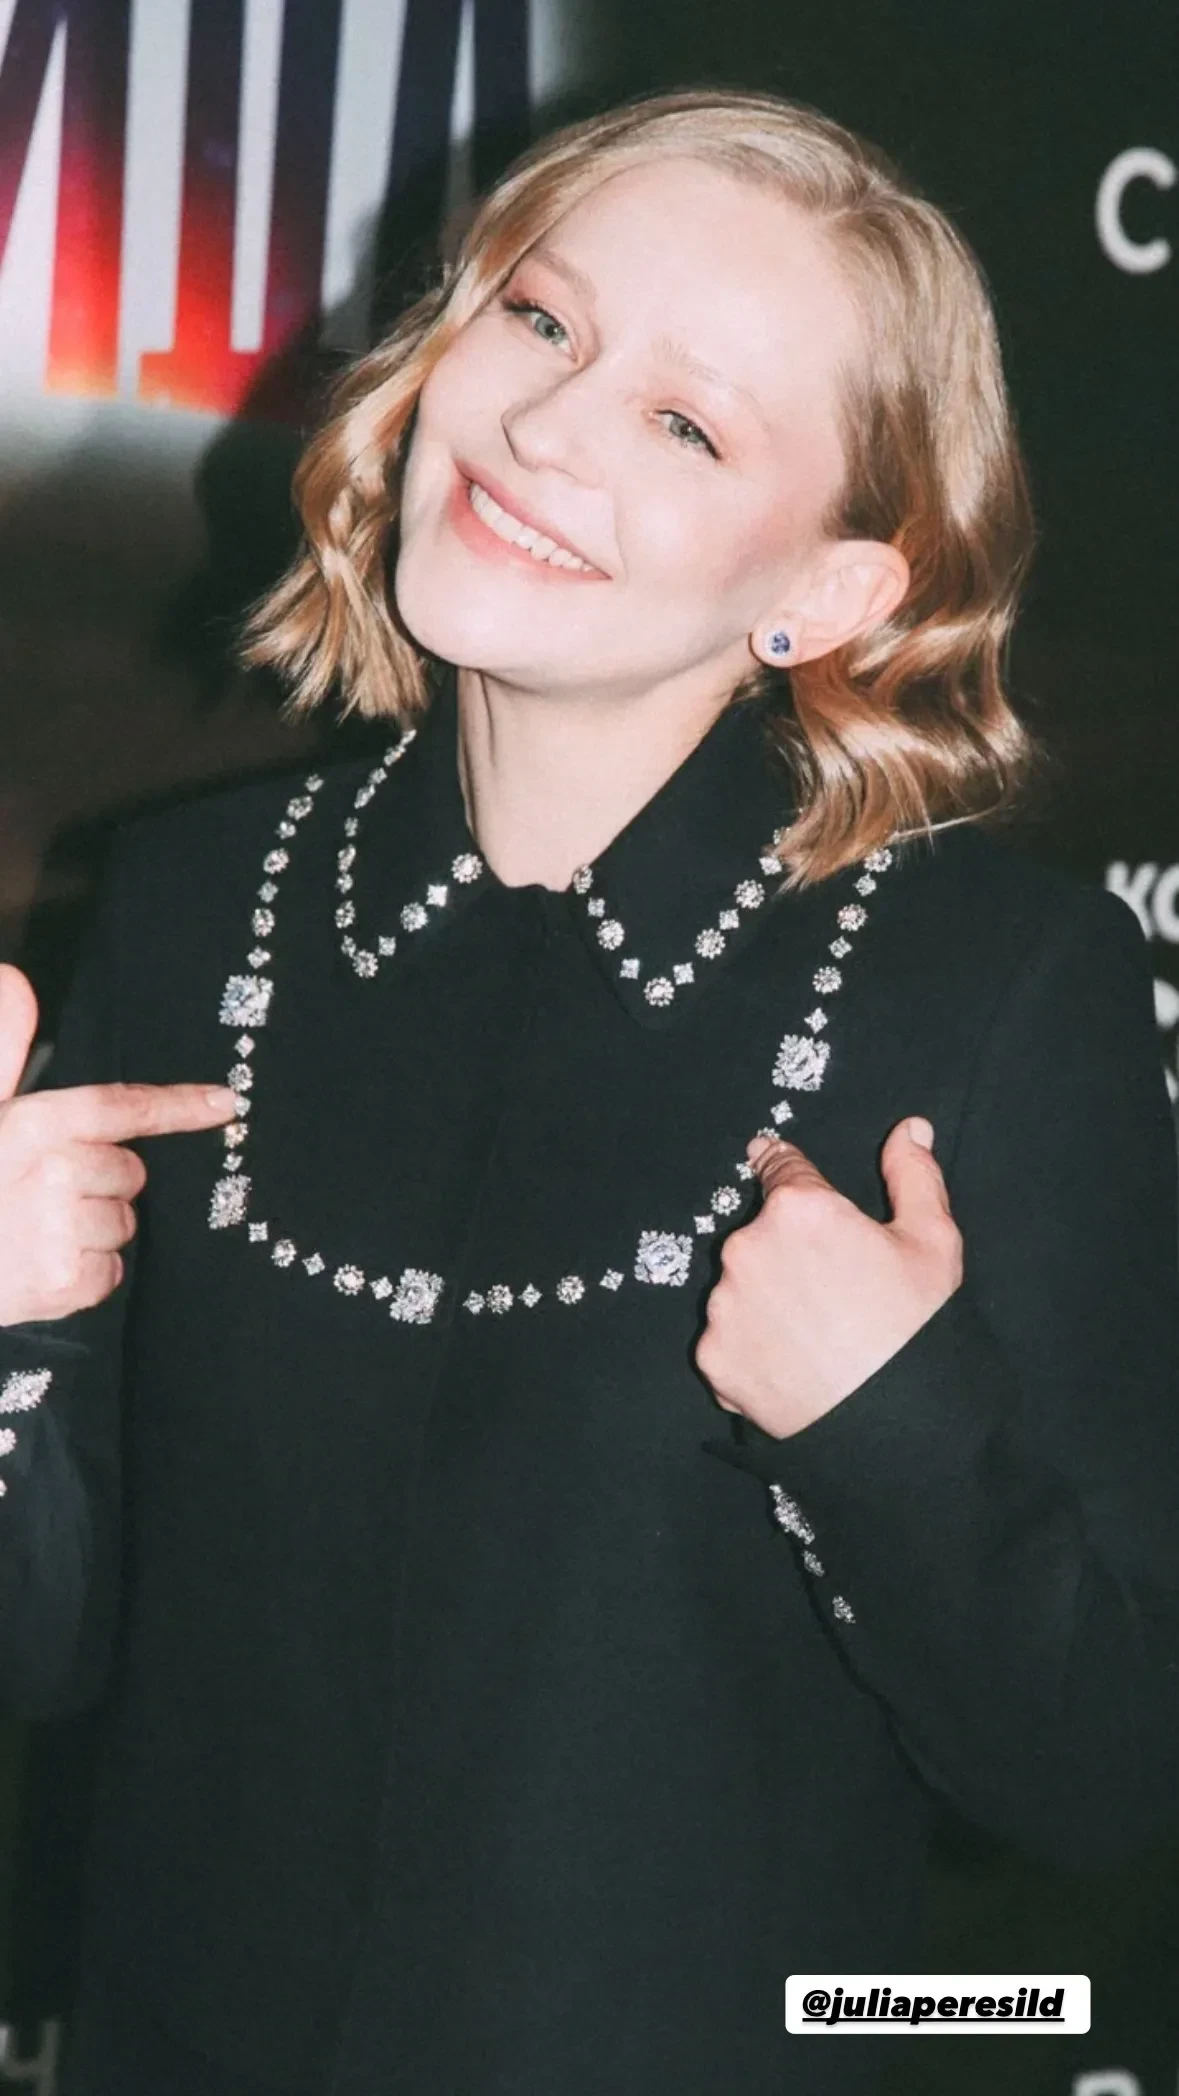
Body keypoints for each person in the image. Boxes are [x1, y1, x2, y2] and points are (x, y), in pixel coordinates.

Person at [1, 82, 1177, 2096]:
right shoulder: (190, 904)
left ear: (828, 593)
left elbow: (1102, 1778)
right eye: (540, 320)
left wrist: (888, 1421)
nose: (546, 425)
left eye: (685, 424)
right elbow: (51, 1650)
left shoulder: (994, 990)